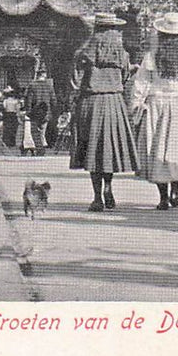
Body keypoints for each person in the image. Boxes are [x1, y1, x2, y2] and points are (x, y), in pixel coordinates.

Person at [130, 12, 178, 209]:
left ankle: (162, 197)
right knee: (177, 150)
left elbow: (141, 82)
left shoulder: (152, 57)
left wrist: (136, 105)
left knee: (156, 148)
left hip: (157, 104)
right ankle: (175, 193)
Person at [71, 12, 140, 211]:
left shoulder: (84, 52)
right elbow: (126, 76)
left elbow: (75, 80)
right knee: (108, 149)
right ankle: (109, 188)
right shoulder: (122, 52)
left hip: (91, 102)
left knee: (93, 149)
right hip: (114, 102)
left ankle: (97, 197)